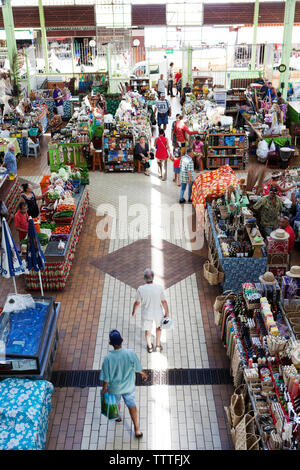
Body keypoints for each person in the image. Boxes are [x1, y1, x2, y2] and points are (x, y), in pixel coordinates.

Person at [100, 330, 147, 438]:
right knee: (131, 405)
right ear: (122, 340)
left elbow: (106, 378)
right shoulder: (130, 353)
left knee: (116, 402)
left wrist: (104, 389)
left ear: (110, 343)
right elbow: (138, 368)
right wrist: (143, 374)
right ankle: (137, 429)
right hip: (128, 387)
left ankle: (117, 417)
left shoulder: (107, 359)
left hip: (114, 389)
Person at [132, 269, 169, 353]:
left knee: (148, 330)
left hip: (146, 313)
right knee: (159, 328)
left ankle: (150, 347)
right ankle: (158, 346)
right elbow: (163, 301)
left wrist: (134, 311)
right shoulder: (159, 288)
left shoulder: (141, 289)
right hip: (158, 313)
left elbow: (137, 302)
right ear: (153, 278)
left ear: (144, 278)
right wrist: (167, 312)